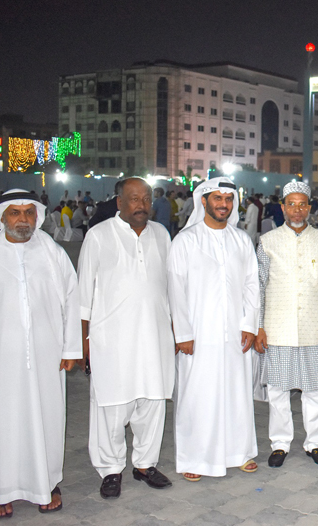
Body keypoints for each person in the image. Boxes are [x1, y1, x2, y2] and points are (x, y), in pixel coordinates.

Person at [0, 189, 81, 517]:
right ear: (2, 217)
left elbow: (71, 300)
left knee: (48, 417)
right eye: (15, 213)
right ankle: (2, 489)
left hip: (47, 355)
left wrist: (70, 346)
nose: (23, 219)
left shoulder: (52, 252)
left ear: (37, 216)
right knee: (2, 420)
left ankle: (46, 483)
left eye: (28, 213)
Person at [77, 177, 175, 499]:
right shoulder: (99, 236)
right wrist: (84, 342)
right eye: (133, 199)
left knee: (152, 401)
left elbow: (171, 287)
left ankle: (145, 464)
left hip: (154, 335)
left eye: (146, 199)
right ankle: (110, 469)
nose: (141, 205)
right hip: (112, 340)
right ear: (119, 202)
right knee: (112, 406)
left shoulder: (161, 235)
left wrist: (176, 331)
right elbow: (83, 295)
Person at [167, 177, 260, 481]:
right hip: (198, 334)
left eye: (228, 199)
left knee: (236, 393)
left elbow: (251, 286)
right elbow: (175, 289)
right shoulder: (186, 240)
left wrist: (249, 324)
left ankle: (239, 452)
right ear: (203, 201)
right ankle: (196, 459)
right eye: (217, 198)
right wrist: (183, 334)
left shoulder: (241, 240)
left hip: (235, 334)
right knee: (198, 396)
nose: (223, 204)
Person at [255, 181, 318, 468]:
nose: (296, 209)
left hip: (316, 328)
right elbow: (258, 287)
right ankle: (280, 444)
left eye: (302, 204)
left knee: (316, 391)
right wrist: (258, 327)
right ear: (283, 207)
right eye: (290, 204)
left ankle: (314, 444)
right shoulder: (268, 242)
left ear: (309, 207)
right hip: (277, 328)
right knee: (278, 391)